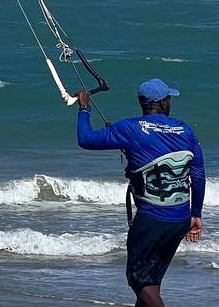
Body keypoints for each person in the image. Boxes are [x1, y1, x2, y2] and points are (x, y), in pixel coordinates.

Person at [77, 79, 204, 307]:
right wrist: (196, 214)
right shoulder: (185, 129)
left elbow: (85, 139)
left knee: (138, 280)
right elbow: (198, 176)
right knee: (151, 281)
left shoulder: (130, 128)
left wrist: (84, 109)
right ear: (163, 103)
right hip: (180, 219)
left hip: (152, 220)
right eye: (169, 98)